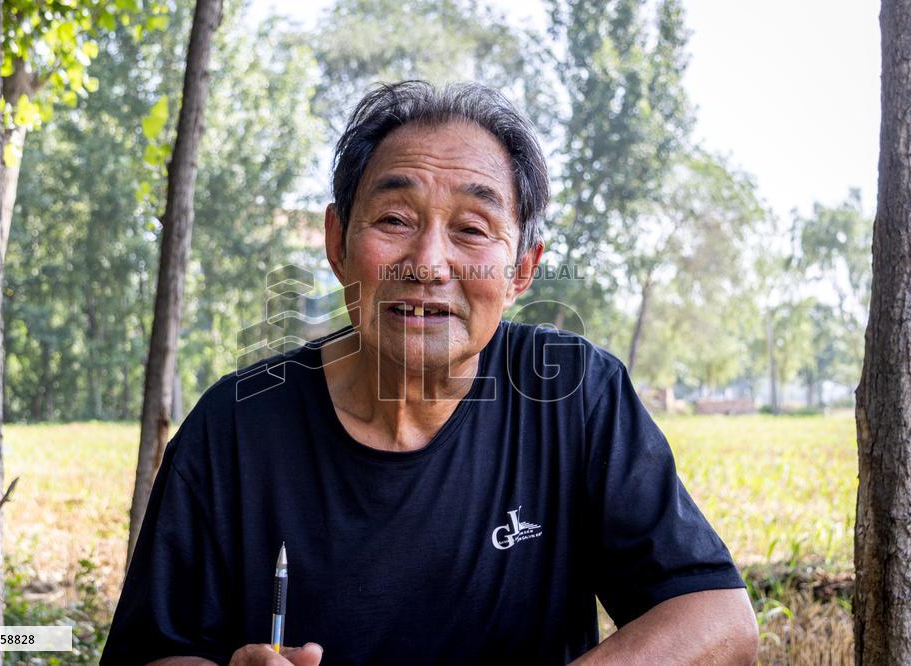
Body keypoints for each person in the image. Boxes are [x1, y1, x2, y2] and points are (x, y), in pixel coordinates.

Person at [101, 81, 759, 665]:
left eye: (472, 228)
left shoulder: (572, 391)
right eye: (394, 220)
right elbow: (153, 650)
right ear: (337, 243)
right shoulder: (235, 425)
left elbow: (718, 616)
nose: (429, 261)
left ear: (522, 270)